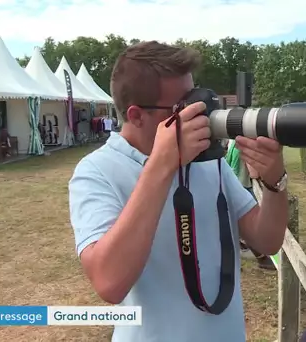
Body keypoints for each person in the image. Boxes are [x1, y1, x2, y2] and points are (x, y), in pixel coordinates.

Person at [68, 41, 289, 342]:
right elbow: (109, 282)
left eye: (197, 100)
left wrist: (274, 182)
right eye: (183, 108)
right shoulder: (96, 171)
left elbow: (267, 240)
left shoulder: (207, 159)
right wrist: (163, 165)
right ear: (136, 116)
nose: (198, 115)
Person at [225, 139, 277, 271]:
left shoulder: (232, 143)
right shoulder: (246, 144)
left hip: (231, 183)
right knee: (251, 224)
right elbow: (254, 172)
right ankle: (262, 258)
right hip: (242, 186)